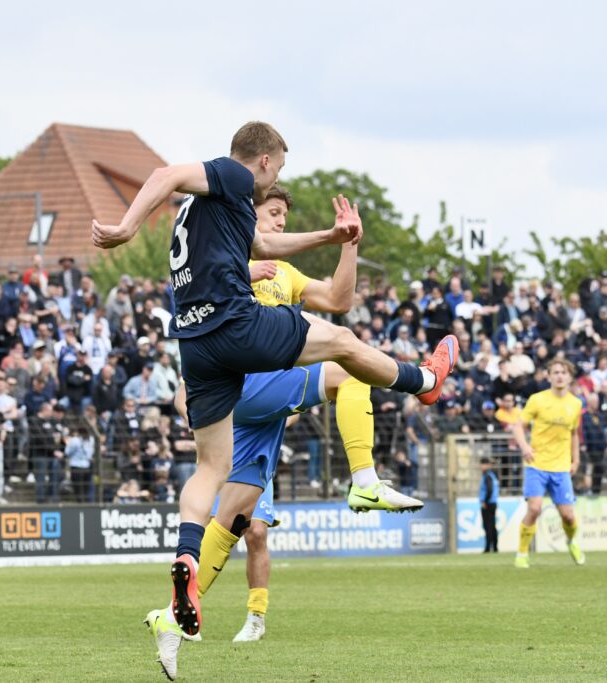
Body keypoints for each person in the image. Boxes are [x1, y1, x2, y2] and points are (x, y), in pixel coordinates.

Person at [94, 123, 458, 660]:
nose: (276, 182)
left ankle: (185, 568)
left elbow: (265, 243)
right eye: (280, 169)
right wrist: (127, 227)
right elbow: (164, 173)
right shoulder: (231, 175)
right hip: (234, 325)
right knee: (341, 344)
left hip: (195, 344)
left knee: (210, 471)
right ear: (263, 160)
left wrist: (331, 239)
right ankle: (423, 383)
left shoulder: (219, 210)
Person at [145, 184, 425, 657]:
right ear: (247, 213)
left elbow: (339, 299)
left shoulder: (286, 273)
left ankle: (175, 615)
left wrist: (348, 246)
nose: (278, 222)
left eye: (281, 216)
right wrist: (242, 268)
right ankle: (364, 478)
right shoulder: (229, 252)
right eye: (271, 213)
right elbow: (195, 293)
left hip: (260, 411)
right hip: (250, 383)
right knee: (347, 369)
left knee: (235, 519)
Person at [511, 358, 585, 569]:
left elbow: (573, 434)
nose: (560, 375)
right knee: (534, 509)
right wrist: (525, 447)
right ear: (549, 376)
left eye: (563, 372)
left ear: (570, 377)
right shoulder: (537, 400)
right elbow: (518, 427)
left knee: (568, 516)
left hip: (561, 466)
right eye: (556, 372)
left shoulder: (575, 404)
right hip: (537, 464)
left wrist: (576, 459)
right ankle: (522, 553)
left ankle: (572, 541)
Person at [479, 456, 500, 553]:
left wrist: (485, 502)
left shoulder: (487, 476)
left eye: (482, 464)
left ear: (487, 465)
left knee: (488, 526)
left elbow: (489, 490)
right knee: (492, 526)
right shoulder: (493, 475)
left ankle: (488, 548)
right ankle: (495, 547)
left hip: (488, 504)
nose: (480, 466)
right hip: (493, 503)